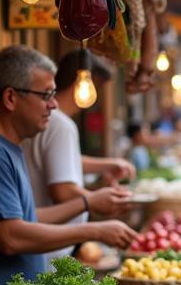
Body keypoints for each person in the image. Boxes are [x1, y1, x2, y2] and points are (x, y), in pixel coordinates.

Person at [0, 46, 136, 285]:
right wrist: (95, 230)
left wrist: (87, 204)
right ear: (10, 98)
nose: (54, 105)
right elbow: (11, 237)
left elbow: (25, 218)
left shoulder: (6, 147)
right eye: (45, 95)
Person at [23, 51, 135, 268]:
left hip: (41, 242)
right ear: (81, 82)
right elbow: (63, 191)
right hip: (49, 246)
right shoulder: (60, 124)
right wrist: (98, 200)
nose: (98, 97)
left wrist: (107, 165)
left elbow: (61, 162)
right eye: (97, 87)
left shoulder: (50, 122)